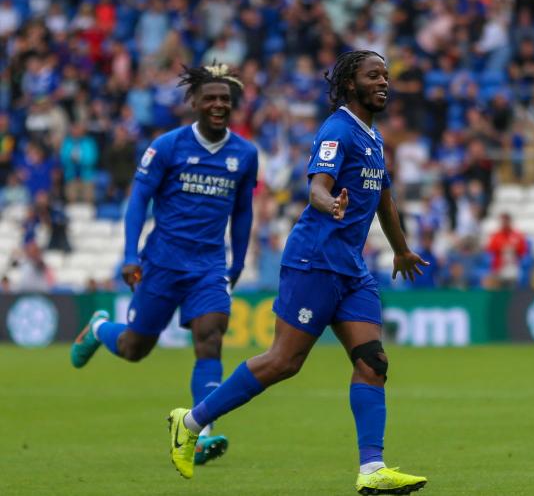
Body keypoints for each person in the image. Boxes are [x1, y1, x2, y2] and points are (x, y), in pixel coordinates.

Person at [165, 51, 429, 494]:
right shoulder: (337, 129)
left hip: (350, 267)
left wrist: (401, 250)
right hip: (314, 260)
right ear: (350, 84)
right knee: (284, 362)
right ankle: (190, 421)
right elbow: (317, 188)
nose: (384, 82)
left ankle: (372, 470)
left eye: (386, 75)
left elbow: (384, 197)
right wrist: (333, 204)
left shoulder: (374, 137)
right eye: (374, 75)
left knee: (373, 362)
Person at [70, 63, 258, 466]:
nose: (218, 104)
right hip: (162, 263)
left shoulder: (245, 154)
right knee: (135, 348)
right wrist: (129, 254)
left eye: (225, 99)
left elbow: (242, 212)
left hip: (209, 266)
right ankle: (100, 327)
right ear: (193, 102)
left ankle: (200, 431)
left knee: (210, 337)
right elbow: (139, 199)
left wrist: (238, 261)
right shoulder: (167, 146)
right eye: (210, 98)